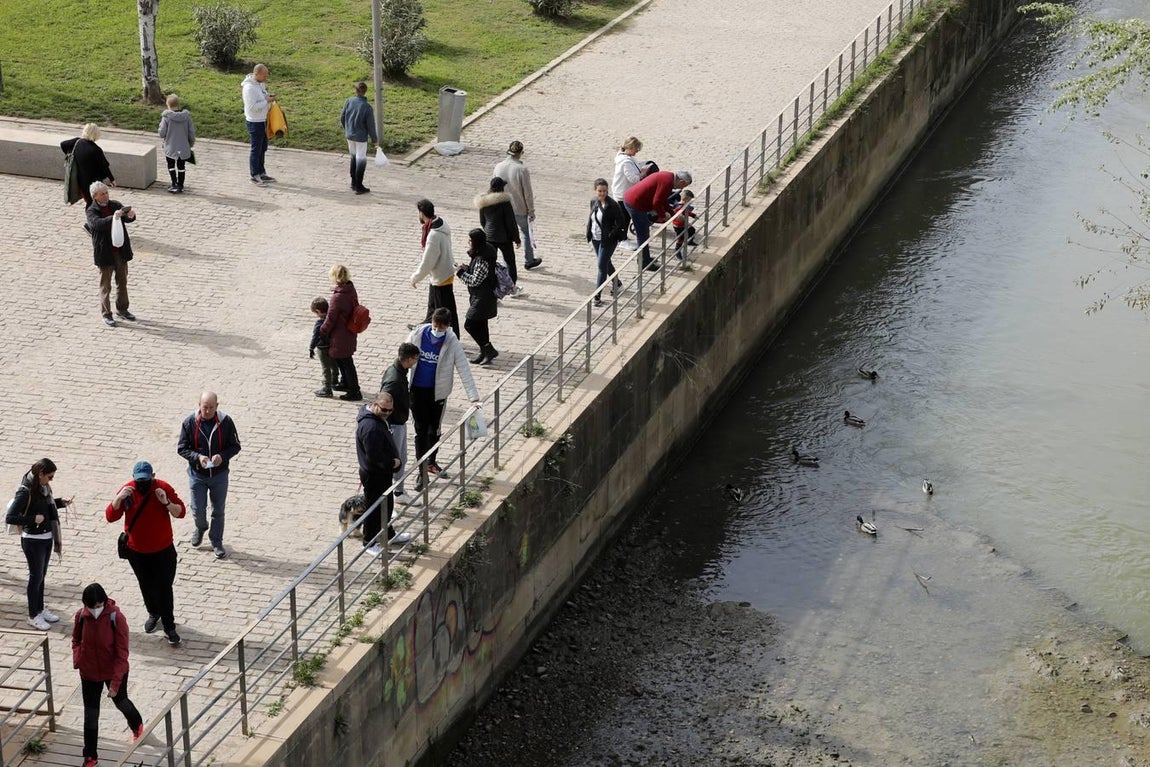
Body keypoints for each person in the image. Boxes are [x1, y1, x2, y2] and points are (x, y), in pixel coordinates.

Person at [106, 461, 186, 646]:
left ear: (153, 476)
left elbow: (180, 512)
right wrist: (118, 499)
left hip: (163, 550)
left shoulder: (162, 488)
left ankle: (169, 626)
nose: (142, 483)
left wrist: (165, 501)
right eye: (139, 480)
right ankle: (153, 612)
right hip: (138, 552)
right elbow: (111, 517)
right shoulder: (128, 491)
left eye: (146, 479)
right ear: (134, 478)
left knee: (165, 588)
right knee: (146, 584)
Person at [72, 582, 145, 767]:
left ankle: (136, 724)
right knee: (90, 715)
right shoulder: (81, 616)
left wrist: (114, 683)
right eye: (92, 607)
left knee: (121, 702)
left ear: (104, 601)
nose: (95, 610)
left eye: (98, 606)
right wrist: (78, 659)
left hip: (113, 671)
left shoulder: (116, 617)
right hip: (89, 672)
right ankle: (90, 757)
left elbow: (122, 653)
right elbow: (76, 639)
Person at [406, 308, 481, 485]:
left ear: (447, 326)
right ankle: (421, 471)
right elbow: (402, 358)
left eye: (441, 328)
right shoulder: (417, 335)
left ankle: (432, 461)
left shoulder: (451, 342)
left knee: (434, 430)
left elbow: (463, 368)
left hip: (437, 393)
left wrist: (473, 397)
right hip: (416, 391)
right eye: (435, 326)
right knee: (420, 431)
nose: (437, 330)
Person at [5, 458, 72, 631]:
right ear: (40, 474)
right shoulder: (25, 492)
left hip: (46, 537)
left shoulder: (43, 488)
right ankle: (33, 615)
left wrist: (59, 503)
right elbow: (10, 517)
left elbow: (44, 507)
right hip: (32, 540)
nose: (51, 480)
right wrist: (32, 519)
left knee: (42, 576)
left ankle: (41, 609)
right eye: (49, 477)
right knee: (35, 577)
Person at [177, 391, 242, 560]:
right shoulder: (189, 422)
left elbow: (235, 446)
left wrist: (222, 456)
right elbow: (182, 448)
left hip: (219, 475)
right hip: (197, 474)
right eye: (205, 407)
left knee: (218, 510)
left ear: (217, 406)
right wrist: (198, 457)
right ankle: (201, 527)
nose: (207, 411)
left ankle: (217, 541)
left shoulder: (225, 422)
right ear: (199, 405)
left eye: (211, 408)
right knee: (198, 509)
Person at [356, 392, 414, 555]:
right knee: (373, 508)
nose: (387, 413)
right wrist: (393, 463)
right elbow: (375, 457)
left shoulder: (377, 420)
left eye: (390, 410)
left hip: (382, 474)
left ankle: (388, 534)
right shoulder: (371, 428)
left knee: (386, 504)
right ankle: (369, 542)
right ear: (374, 405)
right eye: (384, 410)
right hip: (374, 474)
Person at [85, 181, 136, 327]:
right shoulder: (91, 210)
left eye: (107, 193)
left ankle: (123, 309)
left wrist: (130, 216)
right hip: (105, 253)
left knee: (122, 282)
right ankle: (106, 314)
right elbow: (97, 224)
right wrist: (114, 218)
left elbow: (126, 217)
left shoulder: (115, 205)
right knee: (105, 285)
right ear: (95, 196)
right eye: (102, 194)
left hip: (120, 252)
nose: (106, 196)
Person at [623, 169, 693, 270]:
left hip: (634, 199)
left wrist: (673, 213)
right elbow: (657, 202)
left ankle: (644, 258)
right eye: (683, 186)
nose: (681, 189)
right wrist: (663, 215)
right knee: (642, 234)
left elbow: (662, 199)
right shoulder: (667, 182)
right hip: (635, 203)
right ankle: (644, 263)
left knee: (644, 232)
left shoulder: (668, 177)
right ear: (681, 182)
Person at [411, 199, 460, 338]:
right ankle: (424, 326)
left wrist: (416, 277)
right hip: (444, 270)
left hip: (441, 274)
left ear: (421, 213)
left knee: (444, 309)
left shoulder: (433, 234)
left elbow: (428, 261)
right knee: (432, 305)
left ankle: (452, 335)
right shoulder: (440, 224)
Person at [379, 343, 420, 503]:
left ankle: (398, 492)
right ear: (409, 359)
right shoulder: (394, 380)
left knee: (401, 459)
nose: (416, 362)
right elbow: (383, 402)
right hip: (394, 426)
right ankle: (389, 500)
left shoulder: (398, 371)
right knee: (393, 462)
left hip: (399, 423)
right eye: (415, 359)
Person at [493, 140, 542, 270]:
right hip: (519, 207)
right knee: (526, 232)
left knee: (505, 237)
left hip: (502, 206)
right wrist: (531, 210)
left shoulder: (498, 166)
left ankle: (506, 264)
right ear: (521, 153)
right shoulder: (522, 169)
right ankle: (529, 259)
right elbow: (527, 192)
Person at [455, 228, 500, 365]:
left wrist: (460, 273)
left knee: (470, 324)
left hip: (483, 297)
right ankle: (484, 352)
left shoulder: (482, 258)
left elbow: (476, 280)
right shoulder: (484, 251)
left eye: (470, 240)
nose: (469, 242)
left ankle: (488, 349)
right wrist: (467, 268)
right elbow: (478, 273)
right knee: (481, 324)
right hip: (480, 296)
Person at [320, 264, 363, 402]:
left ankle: (354, 390)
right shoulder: (350, 289)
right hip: (349, 331)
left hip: (340, 334)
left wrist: (323, 330)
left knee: (346, 362)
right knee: (344, 360)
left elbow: (331, 318)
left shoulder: (337, 297)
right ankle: (345, 383)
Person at [474, 176, 524, 295]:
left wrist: (487, 232)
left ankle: (492, 290)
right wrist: (517, 239)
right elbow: (511, 223)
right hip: (504, 238)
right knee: (510, 262)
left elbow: (482, 221)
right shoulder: (505, 203)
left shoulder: (483, 202)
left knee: (491, 264)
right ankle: (512, 288)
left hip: (489, 237)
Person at [586, 178, 627, 307]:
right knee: (606, 262)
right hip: (596, 238)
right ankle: (617, 284)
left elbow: (621, 222)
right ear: (595, 191)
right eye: (599, 191)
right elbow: (592, 218)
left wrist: (611, 234)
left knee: (601, 266)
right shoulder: (593, 201)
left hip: (608, 240)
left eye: (604, 191)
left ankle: (597, 296)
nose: (602, 193)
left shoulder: (613, 205)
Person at [61, 123, 115, 206]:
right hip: (94, 183)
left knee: (89, 202)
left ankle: (91, 217)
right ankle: (93, 218)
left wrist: (71, 154)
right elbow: (104, 167)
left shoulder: (77, 142)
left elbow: (63, 144)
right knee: (95, 204)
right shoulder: (96, 150)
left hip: (81, 181)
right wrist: (112, 179)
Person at [339, 81, 378, 195]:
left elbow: (342, 116)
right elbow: (370, 126)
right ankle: (359, 186)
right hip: (361, 138)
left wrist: (347, 128)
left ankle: (353, 182)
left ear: (355, 91)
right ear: (365, 91)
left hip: (349, 135)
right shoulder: (367, 107)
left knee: (353, 157)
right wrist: (375, 140)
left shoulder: (349, 101)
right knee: (361, 160)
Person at [241, 63, 276, 185]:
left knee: (263, 148)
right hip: (255, 122)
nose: (266, 78)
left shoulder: (259, 84)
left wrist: (267, 96)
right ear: (256, 74)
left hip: (263, 120)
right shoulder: (249, 88)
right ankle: (254, 175)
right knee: (256, 149)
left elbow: (261, 98)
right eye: (264, 75)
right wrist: (266, 101)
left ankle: (262, 172)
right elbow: (252, 107)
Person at [158, 94, 196, 194]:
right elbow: (191, 132)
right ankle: (181, 185)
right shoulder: (186, 117)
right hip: (183, 147)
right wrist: (190, 144)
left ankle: (174, 184)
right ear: (178, 104)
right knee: (181, 166)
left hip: (170, 146)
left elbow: (162, 133)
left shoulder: (166, 117)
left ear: (168, 104)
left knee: (170, 164)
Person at [612, 137, 643, 247]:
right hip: (622, 193)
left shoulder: (624, 157)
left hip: (622, 191)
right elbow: (633, 179)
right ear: (630, 148)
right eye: (636, 148)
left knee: (625, 217)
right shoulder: (625, 162)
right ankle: (622, 239)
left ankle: (622, 236)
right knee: (624, 217)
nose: (637, 151)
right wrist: (642, 174)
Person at [310, 296, 344, 397]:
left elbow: (315, 336)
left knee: (325, 368)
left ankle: (327, 388)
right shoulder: (332, 319)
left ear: (318, 311)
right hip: (332, 346)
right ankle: (334, 381)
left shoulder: (319, 322)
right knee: (334, 365)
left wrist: (311, 348)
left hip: (322, 348)